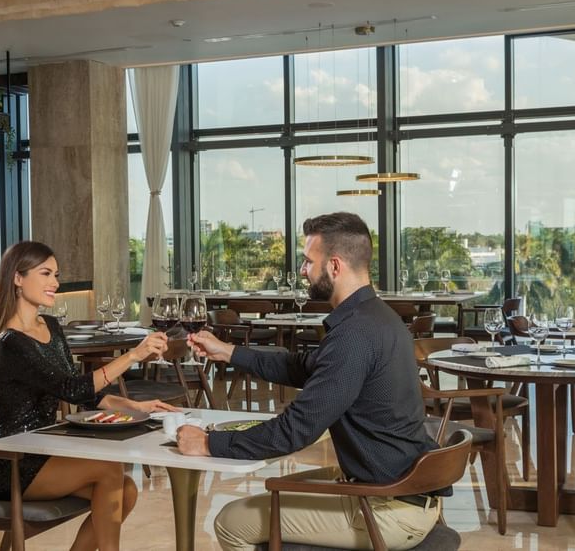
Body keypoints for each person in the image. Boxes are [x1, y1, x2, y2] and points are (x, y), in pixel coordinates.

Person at [180, 212, 442, 551]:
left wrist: (207, 444)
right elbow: (299, 367)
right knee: (277, 488)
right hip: (403, 489)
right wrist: (229, 352)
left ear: (334, 266)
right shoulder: (379, 318)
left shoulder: (354, 335)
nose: (303, 270)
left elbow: (296, 430)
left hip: (385, 507)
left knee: (231, 522)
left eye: (308, 261)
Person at [0, 241, 176, 551]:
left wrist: (135, 407)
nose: (55, 283)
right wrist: (133, 355)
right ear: (18, 278)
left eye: (56, 274)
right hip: (11, 462)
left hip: (44, 450)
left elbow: (85, 394)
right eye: (45, 273)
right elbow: (72, 390)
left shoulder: (52, 326)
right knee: (110, 470)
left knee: (127, 490)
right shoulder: (10, 343)